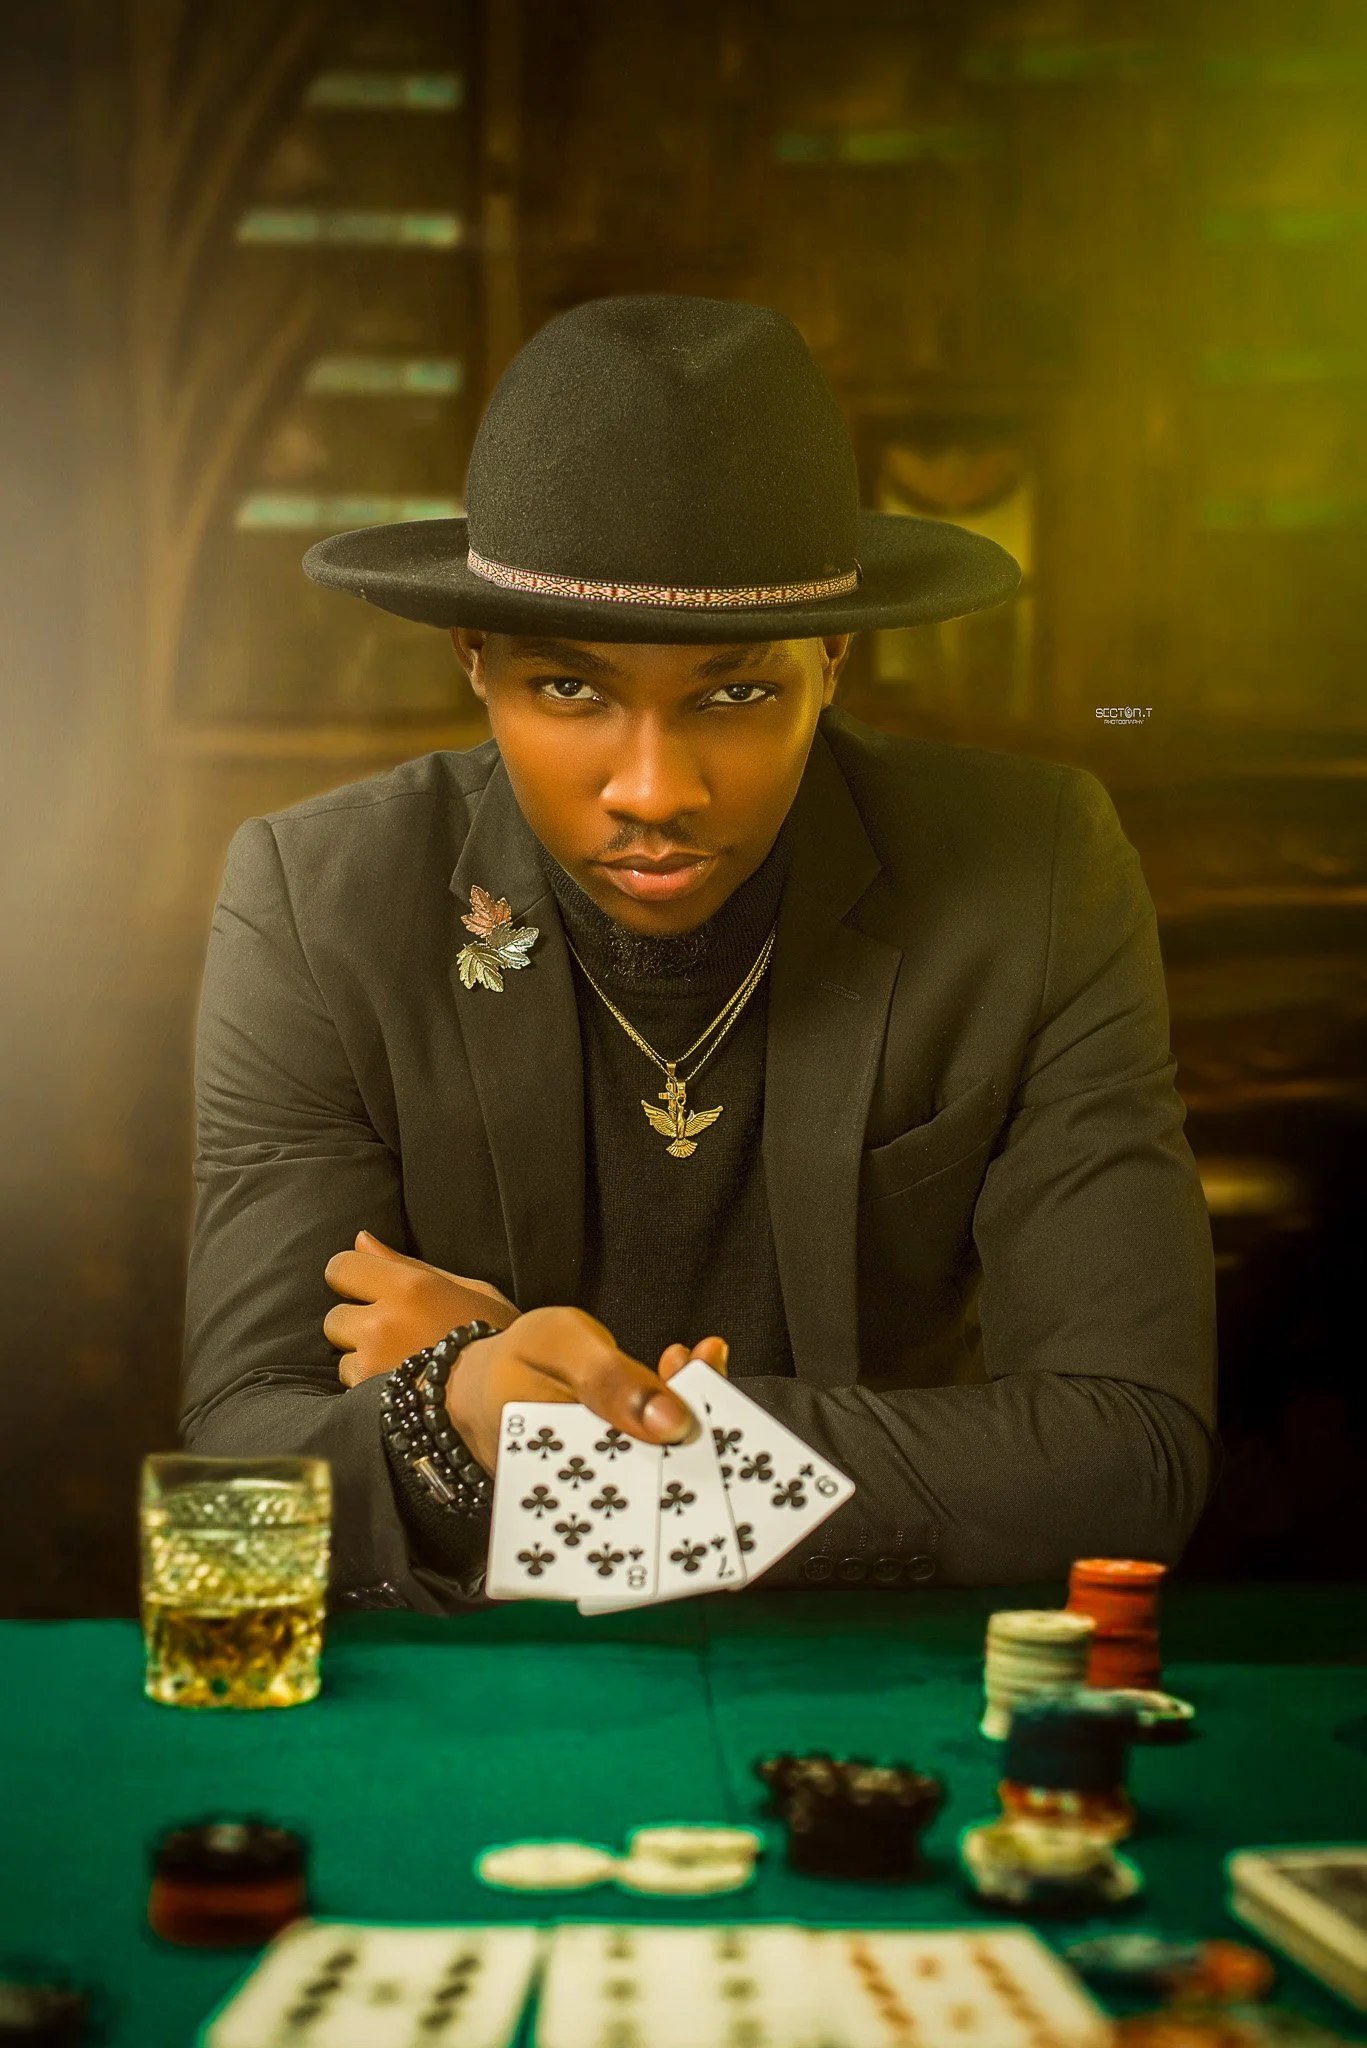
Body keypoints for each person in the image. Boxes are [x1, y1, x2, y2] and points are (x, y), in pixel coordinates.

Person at [181, 294, 1217, 1614]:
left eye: (734, 695)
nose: (654, 791)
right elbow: (237, 1468)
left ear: (833, 657)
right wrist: (469, 1412)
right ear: (474, 657)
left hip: (879, 1686)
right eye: (571, 691)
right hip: (489, 1714)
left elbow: (1126, 1461)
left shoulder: (1036, 872)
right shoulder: (319, 899)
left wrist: (504, 1428)